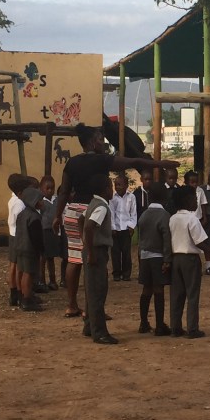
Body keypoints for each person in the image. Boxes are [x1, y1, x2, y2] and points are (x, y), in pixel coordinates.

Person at [52, 123, 179, 318]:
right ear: (92, 142)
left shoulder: (72, 163)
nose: (103, 143)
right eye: (100, 140)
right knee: (96, 262)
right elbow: (133, 161)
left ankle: (71, 305)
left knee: (74, 260)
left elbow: (64, 192)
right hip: (93, 211)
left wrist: (57, 215)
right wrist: (160, 164)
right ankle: (94, 309)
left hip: (72, 212)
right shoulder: (102, 160)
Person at [169, 186, 210, 338]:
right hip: (190, 259)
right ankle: (192, 329)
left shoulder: (172, 218)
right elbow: (200, 243)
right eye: (194, 199)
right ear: (186, 201)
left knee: (177, 295)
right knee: (192, 294)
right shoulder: (192, 219)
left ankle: (175, 327)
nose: (197, 202)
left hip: (176, 258)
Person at [80, 174, 117, 344]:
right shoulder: (102, 207)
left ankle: (89, 325)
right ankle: (100, 332)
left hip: (91, 249)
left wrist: (84, 242)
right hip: (96, 251)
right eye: (111, 187)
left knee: (91, 290)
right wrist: (91, 252)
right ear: (105, 190)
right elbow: (88, 226)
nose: (112, 190)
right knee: (98, 292)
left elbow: (81, 219)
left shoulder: (93, 203)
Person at [136, 182, 173, 335]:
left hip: (145, 256)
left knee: (146, 289)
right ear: (165, 198)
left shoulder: (144, 215)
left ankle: (144, 323)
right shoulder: (164, 216)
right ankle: (159, 325)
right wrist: (167, 259)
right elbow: (166, 239)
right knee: (159, 289)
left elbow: (141, 238)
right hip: (158, 257)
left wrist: (140, 256)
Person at [16, 187, 45, 312]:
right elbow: (36, 237)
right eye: (40, 200)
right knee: (29, 274)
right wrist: (41, 249)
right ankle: (27, 300)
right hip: (30, 249)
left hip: (20, 247)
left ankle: (23, 296)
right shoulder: (34, 217)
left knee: (23, 272)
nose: (42, 202)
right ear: (34, 200)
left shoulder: (21, 214)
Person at [6, 174, 29, 307]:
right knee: (17, 266)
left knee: (13, 265)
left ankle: (14, 293)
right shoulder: (19, 203)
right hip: (17, 235)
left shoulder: (12, 200)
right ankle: (17, 293)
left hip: (12, 233)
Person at [109, 174, 136, 282]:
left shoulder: (131, 197)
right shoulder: (112, 198)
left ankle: (126, 274)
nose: (117, 187)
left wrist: (131, 226)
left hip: (126, 229)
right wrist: (112, 227)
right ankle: (116, 273)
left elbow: (133, 213)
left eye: (120, 185)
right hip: (115, 229)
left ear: (126, 185)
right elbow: (111, 213)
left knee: (126, 253)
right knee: (115, 253)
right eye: (116, 185)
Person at [40, 175, 60, 291]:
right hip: (43, 231)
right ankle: (41, 281)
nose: (50, 191)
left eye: (52, 188)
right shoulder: (40, 201)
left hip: (53, 232)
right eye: (47, 188)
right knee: (42, 258)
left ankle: (52, 281)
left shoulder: (56, 200)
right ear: (41, 189)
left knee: (51, 257)